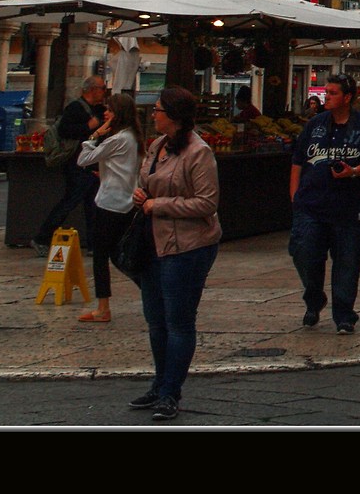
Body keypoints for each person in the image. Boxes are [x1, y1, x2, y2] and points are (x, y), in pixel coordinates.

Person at [130, 86, 221, 421]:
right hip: (154, 243)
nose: (153, 114)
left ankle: (171, 392)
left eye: (158, 109)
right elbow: (147, 183)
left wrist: (158, 204)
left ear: (174, 116)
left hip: (188, 246)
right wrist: (141, 196)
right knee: (156, 320)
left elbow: (207, 203)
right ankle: (159, 384)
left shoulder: (199, 152)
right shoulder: (157, 146)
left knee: (179, 321)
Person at [288, 76, 360, 334]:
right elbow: (298, 160)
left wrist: (354, 171)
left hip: (352, 208)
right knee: (304, 252)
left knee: (347, 262)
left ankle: (344, 315)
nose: (327, 97)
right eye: (326, 92)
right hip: (312, 204)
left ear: (347, 97)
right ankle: (314, 298)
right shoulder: (315, 124)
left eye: (333, 93)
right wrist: (295, 195)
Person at [75, 92, 142, 324]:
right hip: (127, 202)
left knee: (102, 255)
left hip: (110, 202)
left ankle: (103, 307)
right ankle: (151, 290)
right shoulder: (133, 137)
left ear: (118, 114)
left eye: (110, 110)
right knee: (118, 254)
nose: (105, 113)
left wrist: (94, 135)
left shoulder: (117, 139)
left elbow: (83, 159)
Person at [34, 74, 107, 249]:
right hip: (77, 163)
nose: (104, 92)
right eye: (102, 88)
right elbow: (65, 131)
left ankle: (93, 244)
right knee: (71, 201)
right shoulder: (75, 108)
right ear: (92, 89)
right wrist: (89, 127)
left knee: (92, 204)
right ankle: (42, 238)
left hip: (91, 163)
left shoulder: (99, 110)